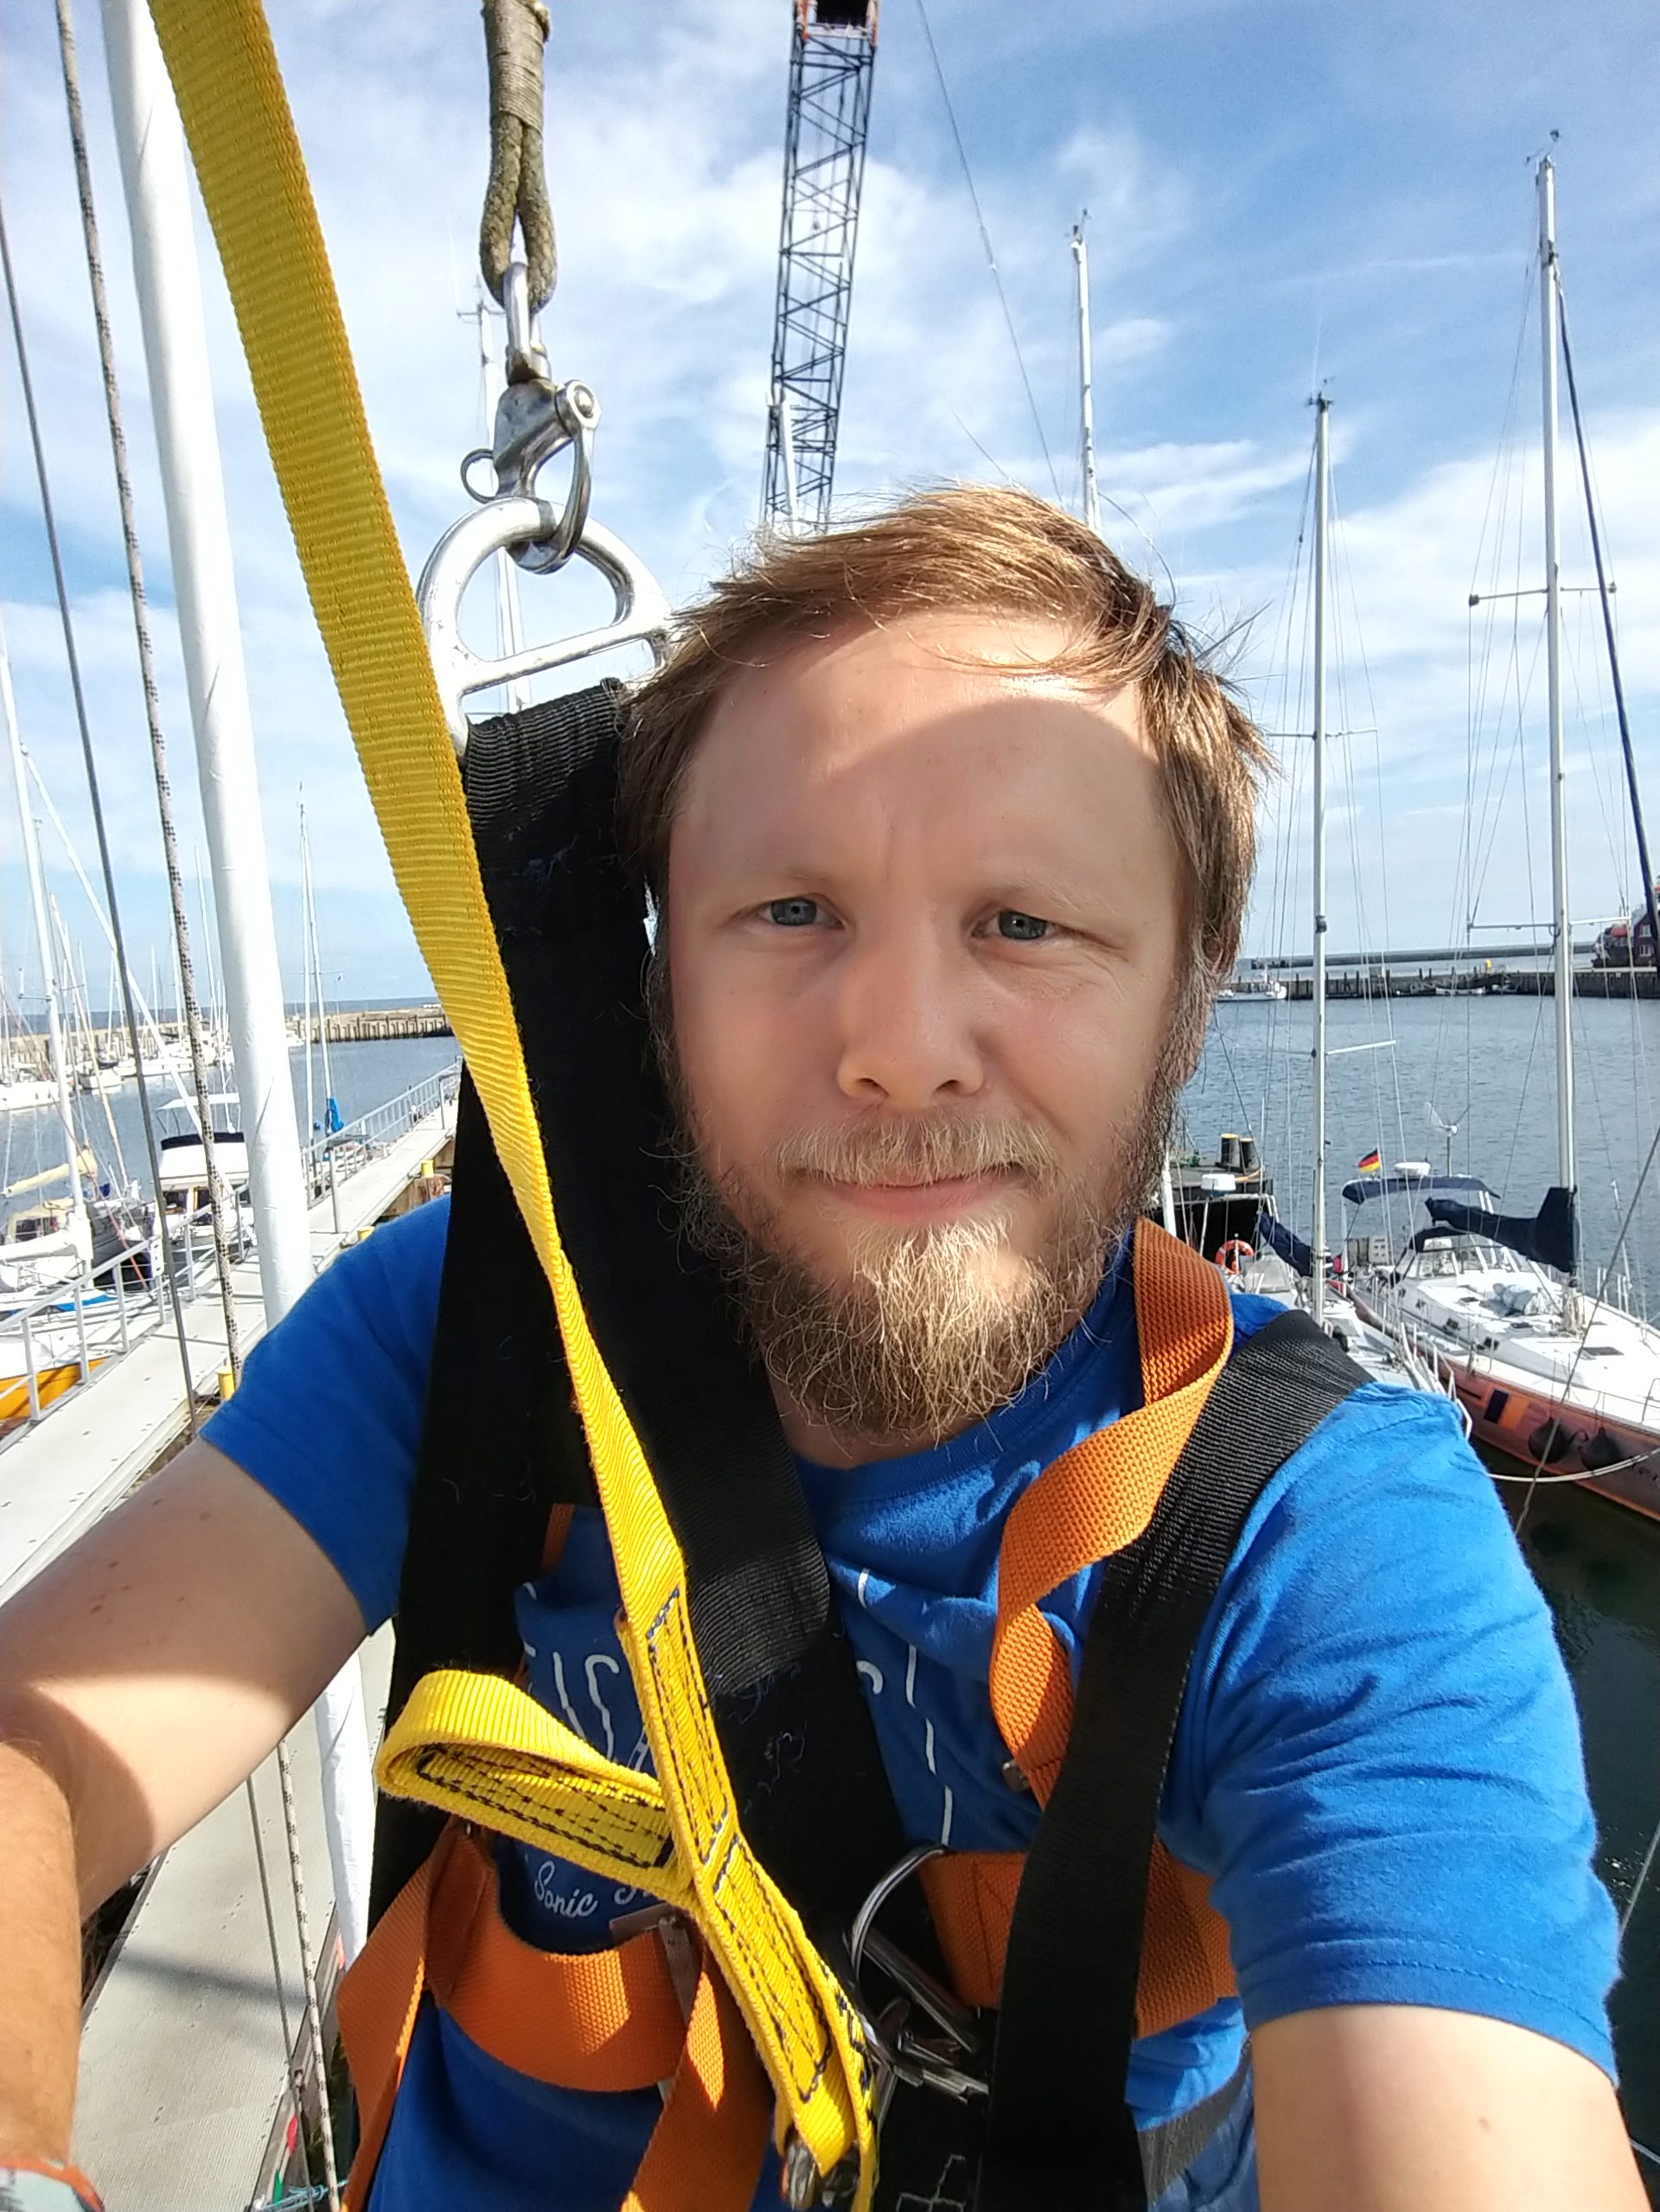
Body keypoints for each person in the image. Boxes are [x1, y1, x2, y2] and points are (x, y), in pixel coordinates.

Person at [0, 486, 1643, 2212]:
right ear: (659, 982)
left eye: (1026, 922)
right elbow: (39, 1746)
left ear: (1190, 980)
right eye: (791, 911)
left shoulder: (1314, 1533)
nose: (901, 1048)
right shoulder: (474, 1331)